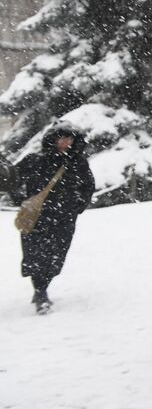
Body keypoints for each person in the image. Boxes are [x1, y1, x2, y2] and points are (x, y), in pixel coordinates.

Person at [16, 125, 95, 314]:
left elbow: (88, 186)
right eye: (62, 138)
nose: (66, 142)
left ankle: (43, 285)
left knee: (56, 256)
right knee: (36, 254)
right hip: (37, 218)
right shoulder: (35, 161)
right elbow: (13, 180)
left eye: (70, 139)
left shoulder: (78, 163)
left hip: (64, 218)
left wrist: (77, 206)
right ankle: (40, 291)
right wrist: (22, 201)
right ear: (53, 139)